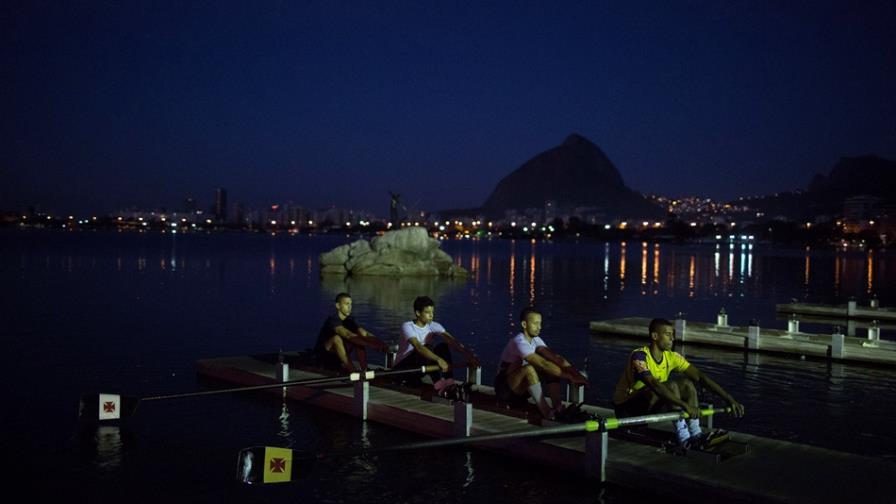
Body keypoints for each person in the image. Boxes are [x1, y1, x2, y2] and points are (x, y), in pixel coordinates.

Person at [612, 317, 745, 448]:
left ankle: (695, 433)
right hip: (627, 409)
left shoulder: (672, 357)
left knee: (687, 383)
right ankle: (684, 439)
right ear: (654, 336)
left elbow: (700, 377)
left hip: (649, 404)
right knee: (671, 385)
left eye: (673, 335)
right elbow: (654, 384)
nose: (672, 338)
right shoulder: (639, 357)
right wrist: (684, 406)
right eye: (668, 334)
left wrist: (728, 399)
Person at [495, 307, 588, 419]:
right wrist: (568, 377)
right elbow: (542, 363)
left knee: (551, 369)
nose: (539, 327)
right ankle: (547, 413)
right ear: (524, 324)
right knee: (530, 369)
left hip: (521, 390)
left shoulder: (536, 340)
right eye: (535, 323)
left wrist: (576, 375)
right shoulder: (518, 342)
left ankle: (557, 407)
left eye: (540, 323)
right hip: (505, 391)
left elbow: (556, 358)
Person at [392, 296, 480, 391]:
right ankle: (439, 384)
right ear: (418, 313)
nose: (431, 315)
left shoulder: (434, 326)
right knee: (427, 348)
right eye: (427, 312)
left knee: (443, 346)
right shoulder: (407, 326)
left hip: (419, 367)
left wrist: (469, 356)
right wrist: (438, 359)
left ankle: (449, 380)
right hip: (403, 369)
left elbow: (452, 341)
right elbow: (418, 347)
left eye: (432, 312)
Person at [315, 292, 389, 373]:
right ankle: (353, 371)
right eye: (347, 304)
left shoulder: (350, 320)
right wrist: (370, 345)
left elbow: (365, 333)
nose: (350, 307)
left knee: (358, 338)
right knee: (337, 339)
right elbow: (347, 335)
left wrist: (381, 344)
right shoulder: (333, 320)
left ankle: (364, 370)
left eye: (351, 304)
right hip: (323, 356)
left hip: (338, 357)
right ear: (338, 306)